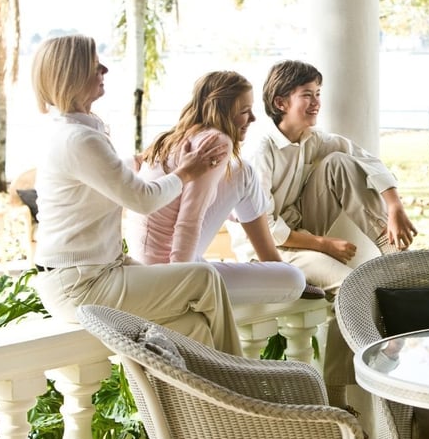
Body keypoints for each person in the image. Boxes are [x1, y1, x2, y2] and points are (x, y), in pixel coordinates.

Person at [30, 34, 243, 356]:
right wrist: (187, 171)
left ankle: (200, 389)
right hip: (81, 284)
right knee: (203, 278)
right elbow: (142, 200)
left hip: (93, 273)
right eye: (94, 65)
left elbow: (99, 179)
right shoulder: (79, 139)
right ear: (72, 75)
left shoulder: (72, 132)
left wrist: (139, 161)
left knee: (193, 326)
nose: (104, 69)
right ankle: (237, 374)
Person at [235, 59, 418, 406]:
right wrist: (323, 245)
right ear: (280, 102)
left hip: (302, 229)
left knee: (340, 161)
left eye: (318, 93)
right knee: (351, 286)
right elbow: (266, 227)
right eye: (307, 94)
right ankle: (336, 396)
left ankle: (390, 248)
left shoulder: (312, 139)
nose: (317, 102)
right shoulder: (261, 152)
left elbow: (367, 159)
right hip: (269, 250)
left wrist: (394, 206)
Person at [125, 70, 323, 305]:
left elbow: (181, 200)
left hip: (149, 262)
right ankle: (275, 264)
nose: (253, 118)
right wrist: (180, 280)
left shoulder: (178, 136)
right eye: (244, 111)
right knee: (293, 279)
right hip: (169, 273)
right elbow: (189, 220)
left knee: (242, 171)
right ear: (223, 112)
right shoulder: (217, 143)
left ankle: (272, 261)